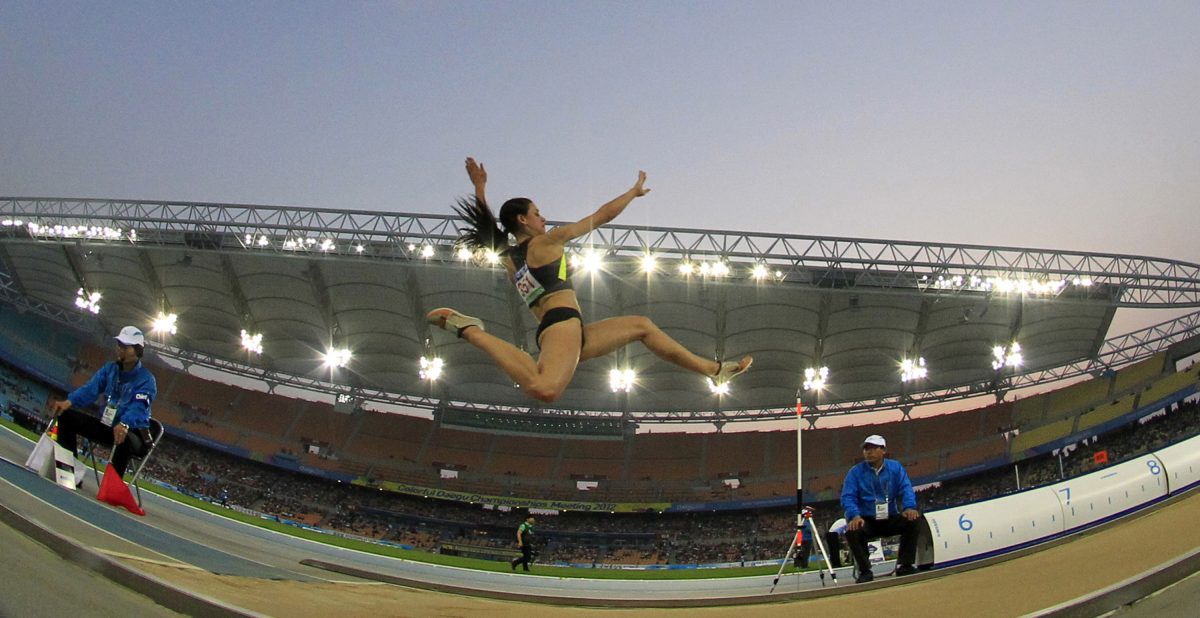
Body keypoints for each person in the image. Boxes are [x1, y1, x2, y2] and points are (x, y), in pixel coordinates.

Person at [427, 157, 752, 403]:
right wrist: (632, 192)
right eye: (538, 213)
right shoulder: (547, 241)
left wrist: (480, 187)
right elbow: (602, 216)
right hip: (563, 324)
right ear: (523, 220)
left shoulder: (508, 258)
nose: (544, 218)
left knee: (642, 326)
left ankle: (715, 370)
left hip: (565, 329)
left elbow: (487, 228)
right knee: (544, 388)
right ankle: (470, 329)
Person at [48, 326, 157, 479]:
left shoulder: (147, 380)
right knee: (66, 417)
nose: (120, 349)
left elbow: (138, 408)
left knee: (124, 440)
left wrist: (125, 423)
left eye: (126, 346)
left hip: (133, 433)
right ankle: (68, 473)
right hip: (107, 425)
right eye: (119, 345)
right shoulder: (109, 369)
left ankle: (110, 487)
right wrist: (69, 401)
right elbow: (90, 389)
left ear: (138, 351)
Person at [841, 434, 920, 583]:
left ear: (883, 450)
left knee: (914, 520)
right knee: (852, 530)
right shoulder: (855, 472)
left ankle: (905, 565)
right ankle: (865, 570)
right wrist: (854, 515)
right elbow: (847, 497)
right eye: (866, 449)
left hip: (890, 517)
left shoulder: (895, 468)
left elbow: (906, 488)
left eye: (873, 448)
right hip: (867, 520)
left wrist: (909, 507)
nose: (868, 452)